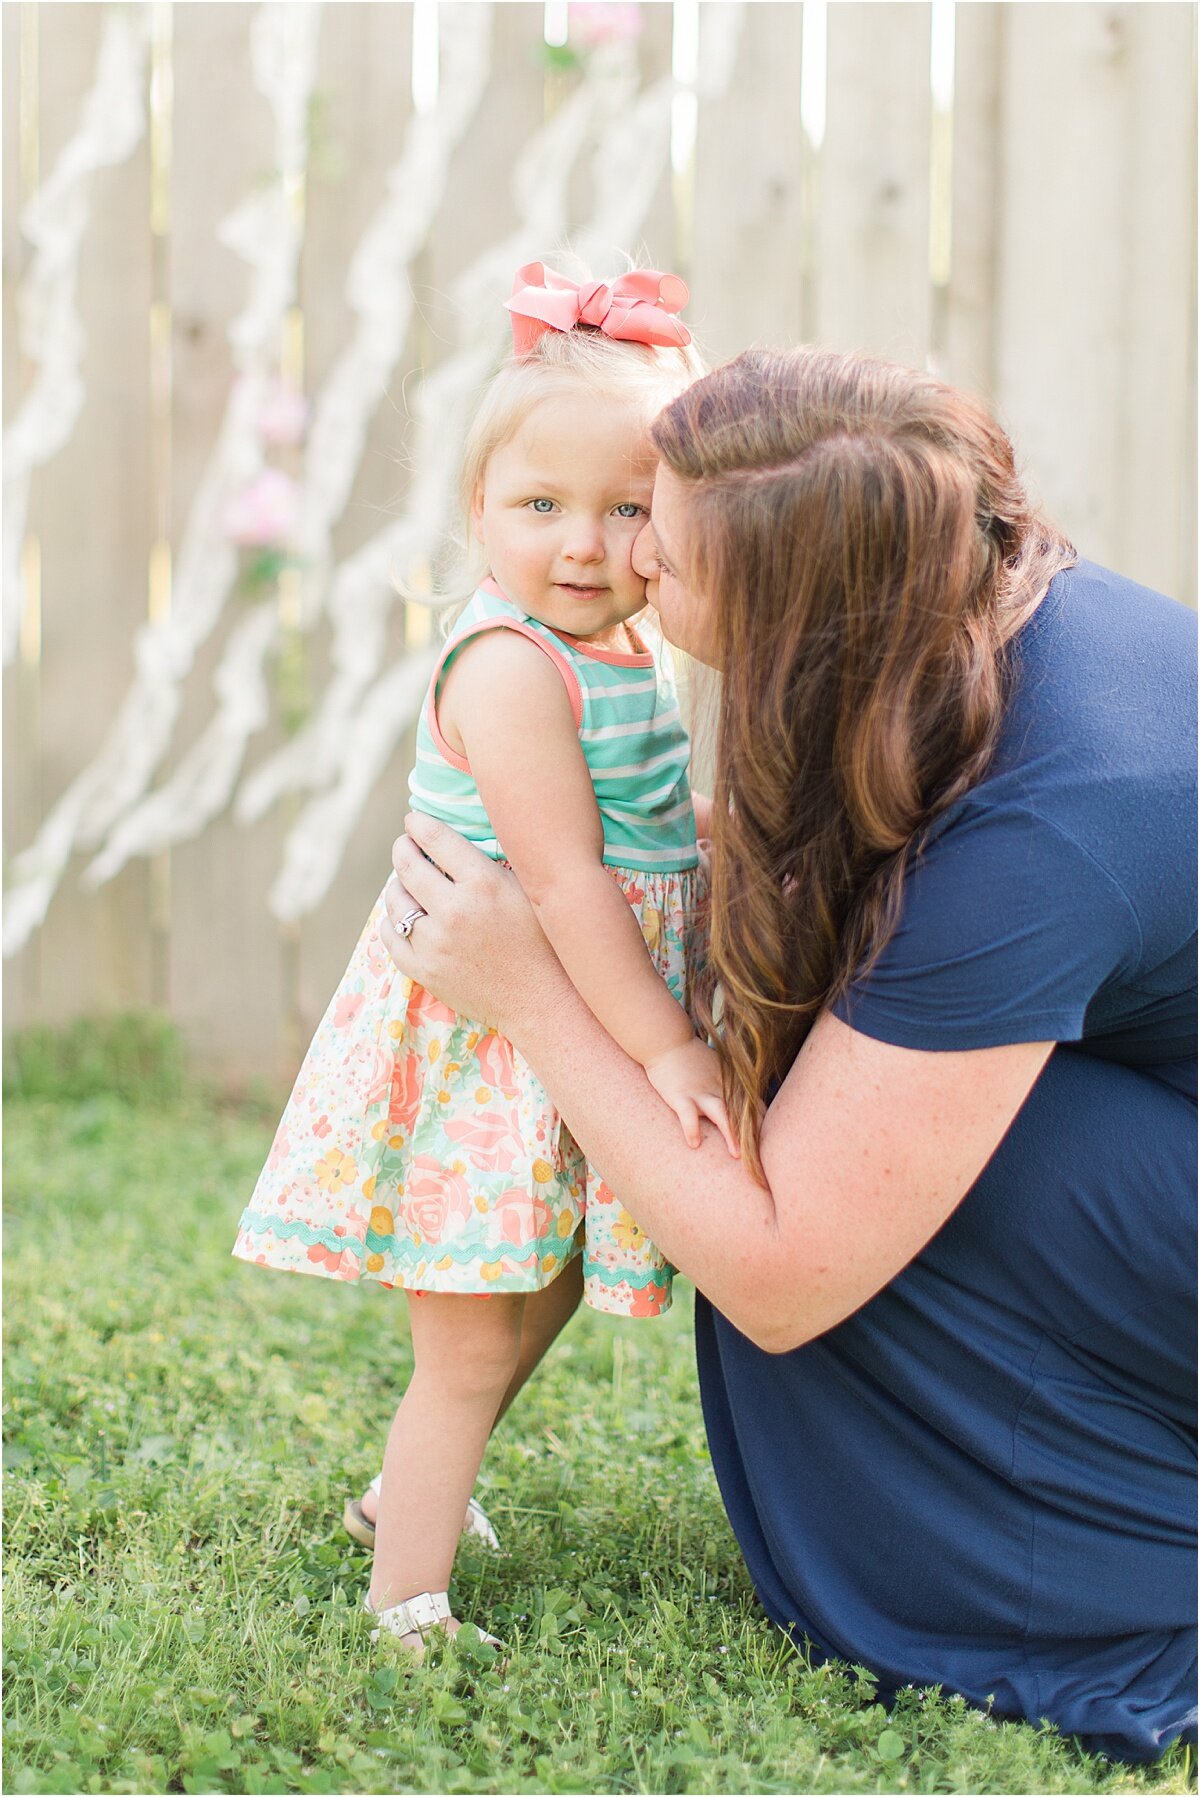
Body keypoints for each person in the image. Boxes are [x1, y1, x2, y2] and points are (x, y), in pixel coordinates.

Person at [378, 346, 1197, 1760]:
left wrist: (533, 997)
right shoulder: (979, 616)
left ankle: (1084, 1556)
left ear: (798, 621)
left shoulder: (1038, 833)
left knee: (850, 1178)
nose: (627, 561)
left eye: (664, 547)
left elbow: (771, 1269)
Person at [233, 262, 738, 1654]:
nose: (584, 543)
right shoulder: (513, 666)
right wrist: (670, 1049)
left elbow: (633, 842)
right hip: (489, 1041)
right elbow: (569, 890)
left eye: (628, 508)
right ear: (475, 518)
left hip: (563, 1025)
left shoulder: (627, 646)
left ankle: (410, 1494)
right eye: (540, 507)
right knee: (463, 1342)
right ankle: (408, 1596)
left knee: (554, 1273)